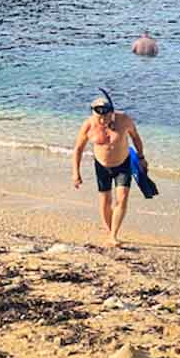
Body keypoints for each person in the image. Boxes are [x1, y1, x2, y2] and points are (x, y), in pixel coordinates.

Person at [72, 92, 148, 247]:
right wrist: (76, 173)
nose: (102, 120)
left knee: (122, 198)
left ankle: (114, 235)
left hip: (123, 164)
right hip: (102, 166)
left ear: (111, 113)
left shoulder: (124, 120)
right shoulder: (89, 125)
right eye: (98, 117)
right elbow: (78, 149)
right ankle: (109, 230)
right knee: (106, 201)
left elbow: (136, 137)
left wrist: (141, 158)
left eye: (105, 117)